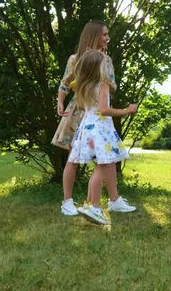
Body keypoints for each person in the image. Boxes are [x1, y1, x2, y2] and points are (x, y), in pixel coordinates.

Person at [52, 20, 135, 216]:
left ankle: (114, 200)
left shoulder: (106, 60)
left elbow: (112, 87)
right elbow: (65, 83)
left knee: (105, 159)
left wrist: (102, 81)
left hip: (96, 110)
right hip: (78, 112)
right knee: (73, 159)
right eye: (104, 34)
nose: (108, 38)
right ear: (94, 36)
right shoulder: (75, 59)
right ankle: (67, 201)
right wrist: (60, 101)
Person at [68, 50, 137, 225]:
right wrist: (126, 111)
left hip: (88, 128)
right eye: (104, 65)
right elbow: (104, 110)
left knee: (102, 165)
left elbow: (86, 108)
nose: (107, 68)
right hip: (100, 129)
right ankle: (95, 207)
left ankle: (91, 204)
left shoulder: (83, 86)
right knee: (103, 165)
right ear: (98, 68)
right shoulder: (102, 85)